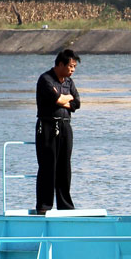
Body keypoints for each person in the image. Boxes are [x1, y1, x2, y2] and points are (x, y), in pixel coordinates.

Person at [34, 49, 81, 213]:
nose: (72, 70)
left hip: (65, 126)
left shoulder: (69, 82)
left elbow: (77, 103)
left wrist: (64, 99)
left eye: (74, 67)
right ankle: (44, 206)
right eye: (71, 66)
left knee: (64, 167)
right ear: (60, 64)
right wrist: (64, 98)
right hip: (47, 127)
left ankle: (65, 206)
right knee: (48, 166)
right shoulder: (45, 79)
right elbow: (58, 99)